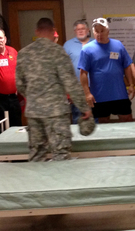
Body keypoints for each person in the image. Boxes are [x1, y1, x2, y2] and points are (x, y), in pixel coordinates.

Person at [15, 18, 90, 161]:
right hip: (56, 112)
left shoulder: (24, 53)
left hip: (34, 112)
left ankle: (39, 183)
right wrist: (84, 107)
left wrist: (33, 97)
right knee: (60, 154)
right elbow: (70, 83)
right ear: (53, 31)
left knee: (37, 154)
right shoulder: (58, 52)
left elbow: (19, 85)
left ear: (37, 32)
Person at [78, 18, 135, 123]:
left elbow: (127, 66)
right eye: (97, 31)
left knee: (127, 120)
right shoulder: (87, 49)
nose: (99, 34)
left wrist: (131, 84)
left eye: (102, 31)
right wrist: (87, 93)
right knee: (103, 123)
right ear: (93, 32)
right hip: (99, 96)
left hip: (119, 94)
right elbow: (83, 73)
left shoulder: (118, 45)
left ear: (108, 31)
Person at [0, 27, 22, 127]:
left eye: (1, 38)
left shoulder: (12, 51)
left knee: (17, 127)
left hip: (13, 98)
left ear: (5, 39)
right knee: (1, 129)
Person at [63, 19, 94, 123]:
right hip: (76, 89)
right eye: (78, 29)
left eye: (83, 29)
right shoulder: (68, 45)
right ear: (75, 31)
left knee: (95, 116)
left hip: (94, 87)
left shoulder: (95, 43)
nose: (80, 31)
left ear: (88, 30)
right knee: (78, 117)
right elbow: (64, 69)